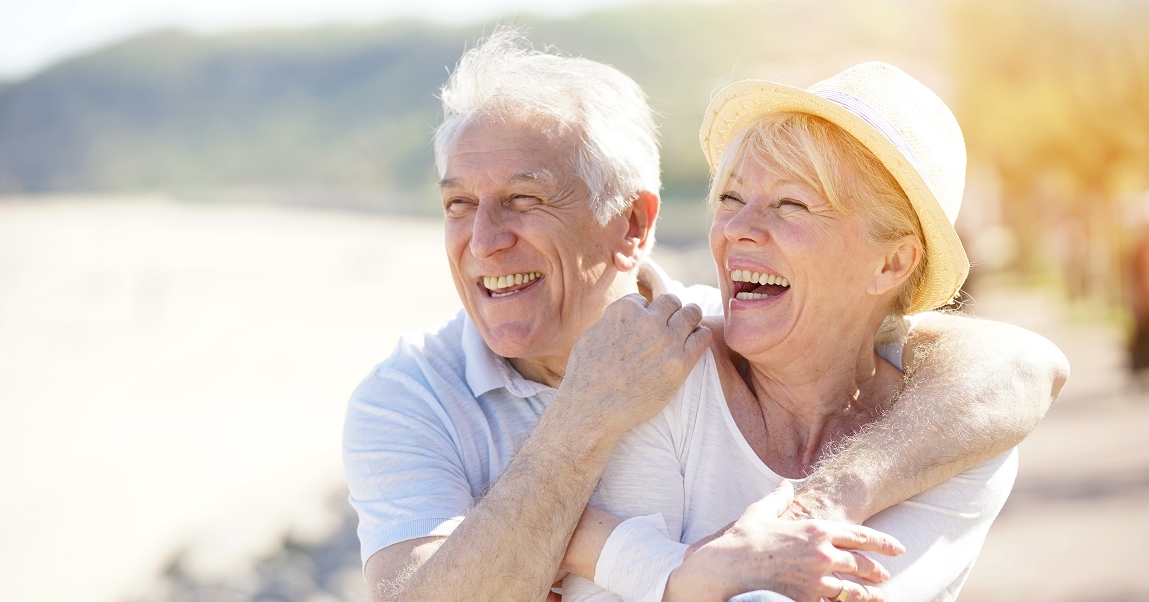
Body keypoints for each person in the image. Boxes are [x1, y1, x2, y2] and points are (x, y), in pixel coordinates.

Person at [343, 29, 1069, 602]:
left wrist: (814, 504)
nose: (483, 239)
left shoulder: (692, 350)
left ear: (633, 226)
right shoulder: (411, 396)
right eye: (457, 204)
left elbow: (1021, 363)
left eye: (525, 200)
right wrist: (586, 429)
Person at [558, 63, 1039, 601]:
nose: (736, 230)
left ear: (891, 263)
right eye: (731, 199)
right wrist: (700, 570)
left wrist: (630, 558)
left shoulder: (957, 439)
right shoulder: (672, 366)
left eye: (791, 204)